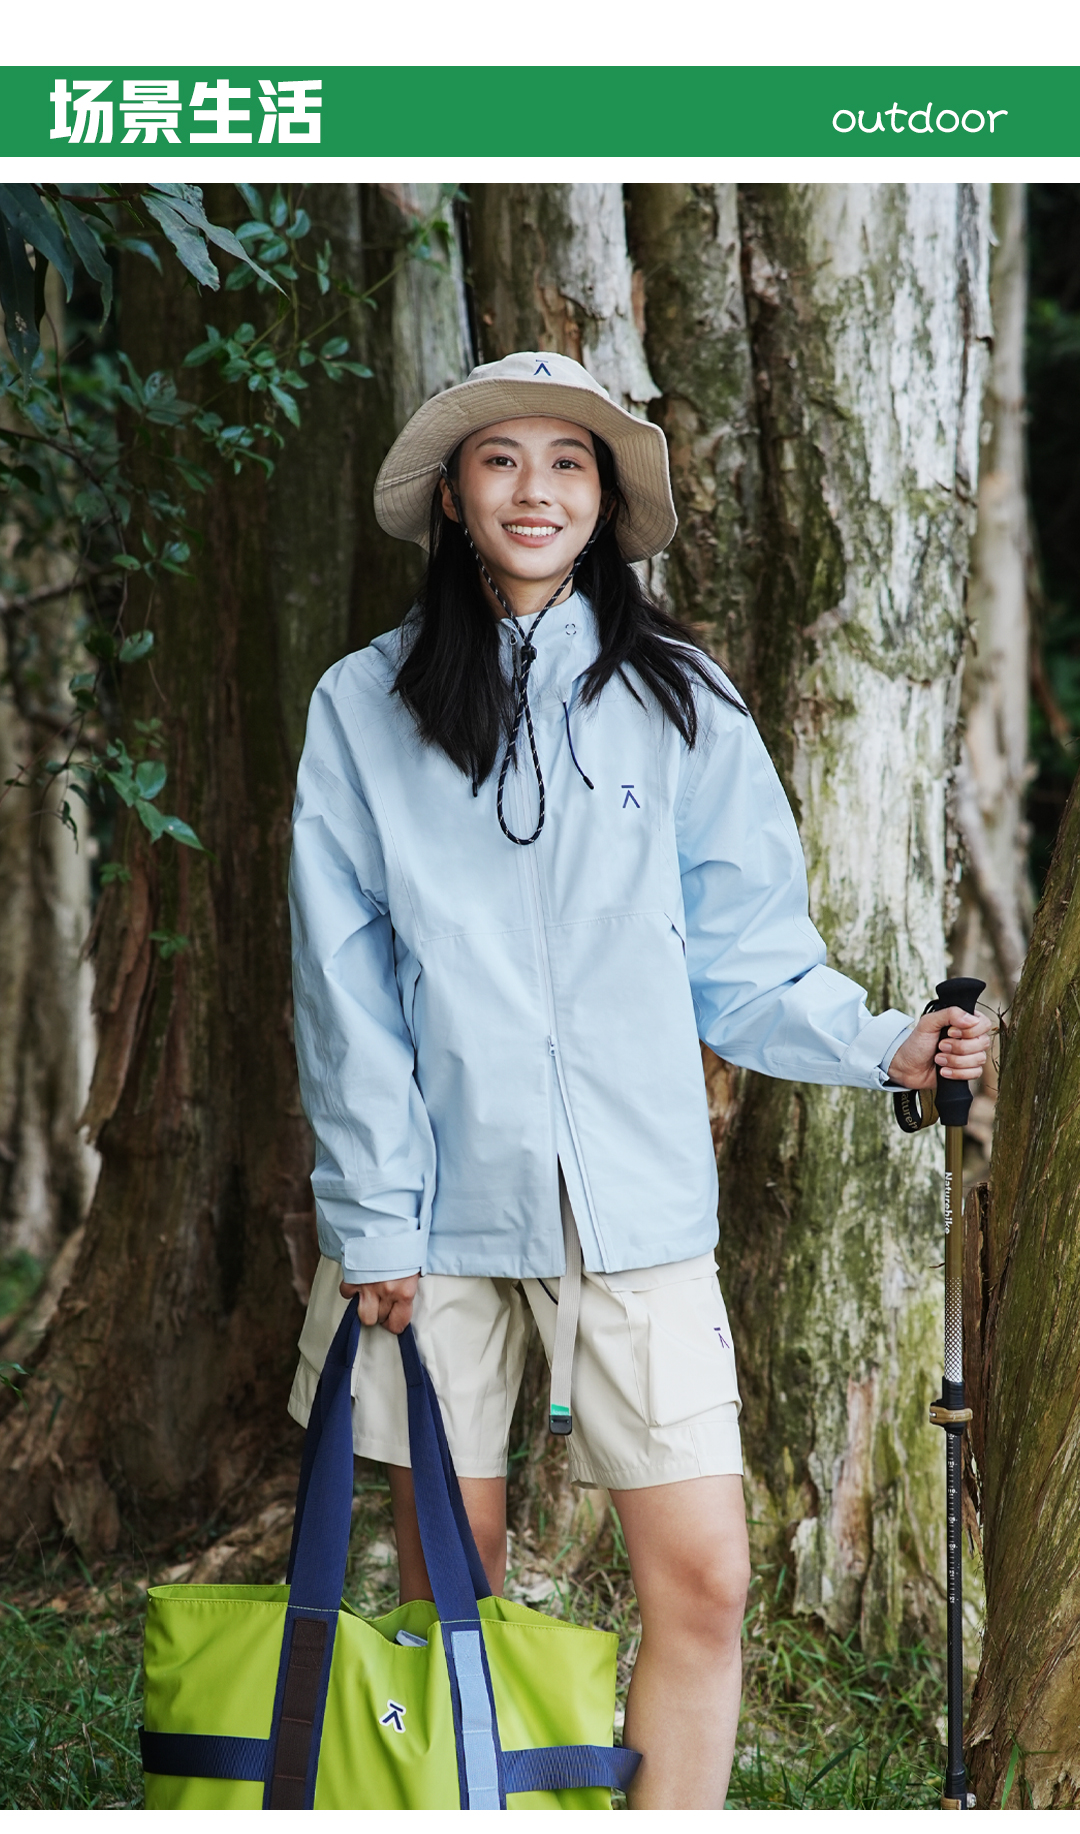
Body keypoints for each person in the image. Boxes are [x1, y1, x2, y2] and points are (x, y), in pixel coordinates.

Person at [286, 350, 991, 1810]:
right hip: (430, 1218)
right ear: (452, 496)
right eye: (500, 459)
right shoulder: (362, 705)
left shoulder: (683, 700)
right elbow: (341, 988)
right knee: (455, 1589)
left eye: (570, 462)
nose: (535, 489)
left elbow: (750, 958)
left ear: (606, 499)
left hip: (638, 1202)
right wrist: (373, 1219)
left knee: (707, 1580)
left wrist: (886, 1043)